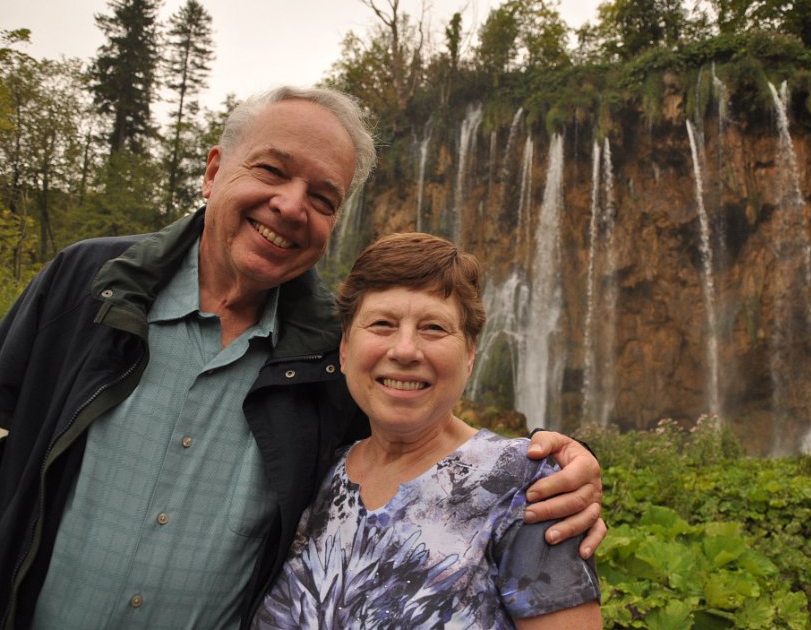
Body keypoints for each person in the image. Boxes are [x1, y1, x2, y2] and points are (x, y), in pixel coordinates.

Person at [0, 86, 605, 630]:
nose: (290, 205)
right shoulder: (86, 284)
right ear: (214, 171)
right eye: (272, 170)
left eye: (323, 198)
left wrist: (559, 465)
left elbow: (418, 440)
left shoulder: (327, 363)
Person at [252, 232, 602, 629]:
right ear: (345, 350)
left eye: (433, 327)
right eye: (382, 324)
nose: (405, 350)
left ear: (470, 355)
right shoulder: (315, 473)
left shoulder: (528, 487)